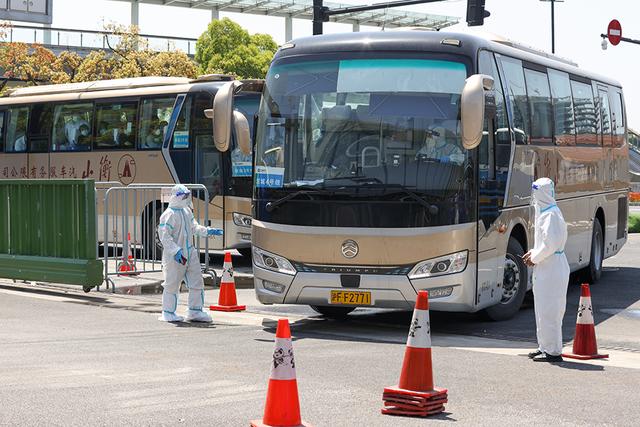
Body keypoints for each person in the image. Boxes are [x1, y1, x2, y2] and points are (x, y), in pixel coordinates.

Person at [157, 184, 223, 322]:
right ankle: (168, 312)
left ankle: (195, 311)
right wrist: (175, 251)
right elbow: (164, 236)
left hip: (190, 252)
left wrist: (207, 231)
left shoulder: (186, 211)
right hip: (175, 256)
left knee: (196, 281)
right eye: (184, 196)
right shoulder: (168, 215)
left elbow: (194, 227)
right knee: (172, 283)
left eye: (187, 195)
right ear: (176, 196)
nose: (186, 198)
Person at [522, 178, 570, 362]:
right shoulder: (545, 213)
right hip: (546, 267)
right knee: (542, 309)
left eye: (536, 192)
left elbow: (551, 245)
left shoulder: (551, 215)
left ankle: (553, 351)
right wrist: (534, 254)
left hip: (552, 268)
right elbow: (545, 244)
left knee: (551, 310)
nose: (534, 197)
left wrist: (534, 257)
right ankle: (544, 346)